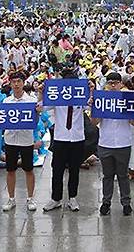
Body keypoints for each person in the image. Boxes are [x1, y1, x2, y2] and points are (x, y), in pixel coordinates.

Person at [92, 72, 134, 216]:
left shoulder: (127, 99)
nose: (113, 86)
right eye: (110, 83)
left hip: (123, 142)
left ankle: (126, 203)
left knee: (123, 175)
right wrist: (94, 107)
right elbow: (95, 122)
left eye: (115, 83)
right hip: (106, 142)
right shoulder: (101, 99)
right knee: (107, 175)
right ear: (106, 85)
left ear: (120, 84)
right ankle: (106, 202)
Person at [43, 71, 87, 212]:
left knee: (74, 170)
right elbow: (42, 107)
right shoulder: (57, 96)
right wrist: (41, 93)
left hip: (77, 138)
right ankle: (56, 198)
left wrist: (91, 92)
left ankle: (72, 198)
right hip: (61, 138)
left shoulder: (81, 96)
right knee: (57, 169)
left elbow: (92, 106)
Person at [1, 72, 41, 212]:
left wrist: (37, 112)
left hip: (26, 139)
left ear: (23, 83)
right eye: (13, 82)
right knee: (10, 170)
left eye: (19, 81)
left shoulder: (31, 100)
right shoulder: (6, 102)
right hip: (10, 138)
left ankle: (30, 198)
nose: (16, 84)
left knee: (28, 169)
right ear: (10, 83)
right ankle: (11, 198)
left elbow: (35, 122)